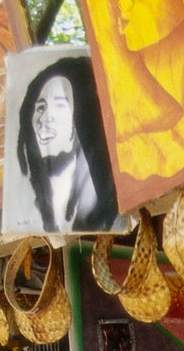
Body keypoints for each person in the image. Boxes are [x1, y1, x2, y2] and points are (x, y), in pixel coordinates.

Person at [15, 58, 117, 233]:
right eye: (40, 108)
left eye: (60, 105)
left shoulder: (99, 199)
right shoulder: (26, 202)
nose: (45, 118)